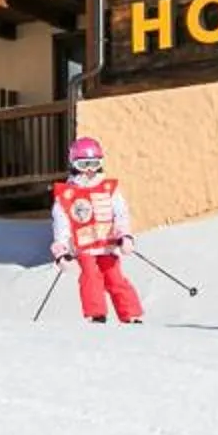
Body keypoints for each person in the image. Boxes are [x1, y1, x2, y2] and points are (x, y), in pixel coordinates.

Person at [49, 136, 143, 324]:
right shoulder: (67, 194)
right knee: (90, 275)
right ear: (74, 164)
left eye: (94, 163)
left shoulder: (109, 189)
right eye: (84, 164)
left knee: (114, 277)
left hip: (106, 244)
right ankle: (96, 314)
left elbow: (120, 214)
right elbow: (61, 223)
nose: (90, 170)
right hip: (84, 246)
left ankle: (130, 314)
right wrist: (62, 251)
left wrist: (124, 235)